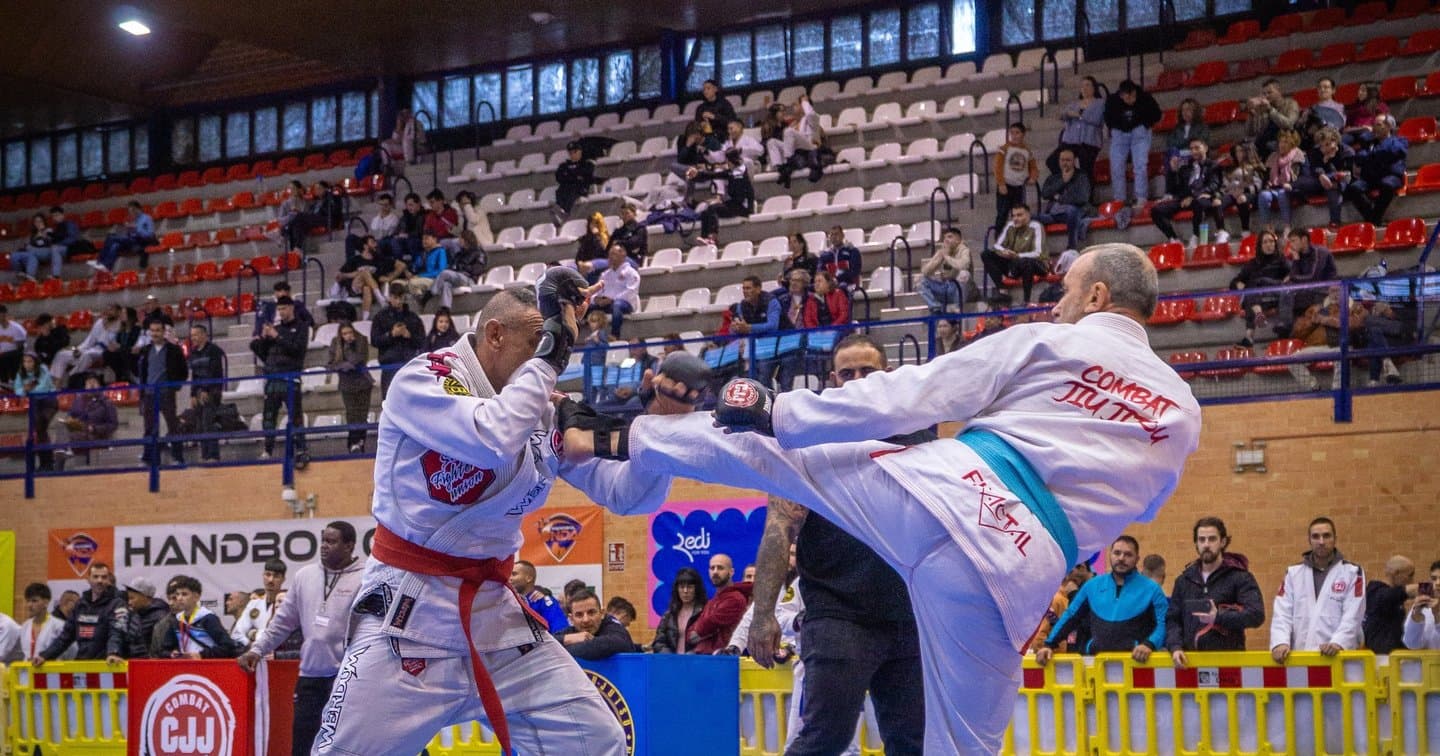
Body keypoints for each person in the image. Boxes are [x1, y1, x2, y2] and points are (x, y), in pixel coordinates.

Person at [563, 242, 1203, 753]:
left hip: (954, 496)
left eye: (1066, 292)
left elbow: (918, 392)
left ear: (1096, 295)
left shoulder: (1055, 340)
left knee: (789, 456)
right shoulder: (1183, 411)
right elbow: (1141, 507)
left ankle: (603, 434)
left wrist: (778, 406)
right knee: (966, 745)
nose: (1057, 303)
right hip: (1024, 570)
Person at [313, 271, 675, 756]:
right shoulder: (424, 380)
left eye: (553, 346)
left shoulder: (542, 406)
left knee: (595, 741)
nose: (550, 359)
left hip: (495, 616)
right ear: (496, 335)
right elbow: (492, 438)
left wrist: (661, 432)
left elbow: (628, 496)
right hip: (409, 616)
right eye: (540, 343)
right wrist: (551, 357)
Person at [747, 334, 928, 755]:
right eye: (847, 373)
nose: (858, 380)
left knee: (914, 744)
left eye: (868, 371)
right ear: (832, 381)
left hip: (911, 617)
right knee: (825, 738)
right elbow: (779, 526)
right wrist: (763, 615)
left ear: (887, 376)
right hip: (838, 618)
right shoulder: (807, 442)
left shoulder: (920, 436)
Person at [240, 522, 365, 756]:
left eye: (332, 541)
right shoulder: (304, 576)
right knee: (303, 743)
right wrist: (257, 650)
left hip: (347, 677)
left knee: (345, 744)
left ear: (349, 545)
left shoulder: (365, 578)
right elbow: (282, 622)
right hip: (310, 676)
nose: (325, 547)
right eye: (323, 541)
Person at [1036, 535, 1167, 662]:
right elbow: (1071, 616)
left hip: (1136, 665)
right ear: (1110, 555)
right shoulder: (1092, 586)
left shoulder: (1152, 590)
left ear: (1137, 559)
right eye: (1117, 553)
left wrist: (1150, 644)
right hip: (1097, 666)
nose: (1121, 558)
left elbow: (1164, 624)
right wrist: (1049, 645)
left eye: (1128, 554)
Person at [1165, 516, 1265, 666]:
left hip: (1229, 664)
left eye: (1212, 539)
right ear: (1196, 544)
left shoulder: (1240, 577)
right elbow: (1173, 619)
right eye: (1201, 540)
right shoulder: (1184, 581)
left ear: (1223, 542)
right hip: (1189, 663)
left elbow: (1256, 615)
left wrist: (1218, 617)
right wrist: (1175, 647)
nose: (1206, 544)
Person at [1270, 517, 1366, 663]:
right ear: (1309, 540)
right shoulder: (1293, 573)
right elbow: (1282, 612)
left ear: (1335, 539)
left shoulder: (1352, 572)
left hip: (1338, 657)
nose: (1321, 541)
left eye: (1326, 536)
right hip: (1301, 656)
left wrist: (1339, 642)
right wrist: (1280, 641)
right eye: (1316, 536)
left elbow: (1354, 613)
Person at [250, 297, 308, 463]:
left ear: (291, 308)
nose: (281, 312)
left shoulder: (301, 328)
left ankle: (301, 449)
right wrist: (261, 339)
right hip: (272, 378)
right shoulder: (274, 329)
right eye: (279, 309)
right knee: (269, 417)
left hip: (290, 378)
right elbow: (263, 354)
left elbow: (297, 350)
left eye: (284, 308)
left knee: (295, 417)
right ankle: (267, 450)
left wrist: (277, 336)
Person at [34, 562, 128, 663]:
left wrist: (113, 653)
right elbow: (65, 637)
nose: (99, 581)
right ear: (88, 579)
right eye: (95, 577)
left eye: (103, 577)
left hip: (106, 665)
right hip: (82, 664)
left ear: (108, 580)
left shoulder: (118, 604)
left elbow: (117, 632)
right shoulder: (80, 605)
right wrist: (45, 656)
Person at [1151, 137, 1223, 247]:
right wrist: (1173, 172)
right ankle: (1174, 239)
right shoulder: (1186, 167)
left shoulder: (1213, 165)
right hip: (1185, 199)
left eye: (1197, 148)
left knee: (1199, 203)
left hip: (1202, 198)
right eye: (1191, 149)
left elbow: (1213, 185)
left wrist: (1193, 196)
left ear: (1206, 148)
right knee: (1156, 210)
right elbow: (1175, 189)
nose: (1193, 151)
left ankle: (1196, 236)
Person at [1103, 80, 1162, 206]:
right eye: (1127, 97)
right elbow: (1107, 118)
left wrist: (1145, 123)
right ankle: (1119, 198)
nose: (1131, 100)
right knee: (1116, 165)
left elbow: (1157, 114)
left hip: (1139, 131)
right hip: (1119, 133)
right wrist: (1117, 127)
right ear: (1121, 95)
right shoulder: (1112, 101)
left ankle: (1141, 197)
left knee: (1140, 164)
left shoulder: (1145, 97)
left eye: (1133, 96)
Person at [137, 322, 188, 466]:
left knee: (173, 426)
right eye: (152, 330)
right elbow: (143, 372)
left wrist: (175, 386)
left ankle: (178, 457)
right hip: (149, 394)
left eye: (158, 330)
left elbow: (183, 371)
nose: (155, 333)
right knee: (149, 428)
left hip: (166, 393)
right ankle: (150, 459)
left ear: (163, 332)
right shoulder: (145, 350)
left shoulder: (174, 350)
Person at [158, 575, 243, 659]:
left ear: (196, 597)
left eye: (184, 594)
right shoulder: (177, 621)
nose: (179, 598)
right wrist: (171, 654)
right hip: (183, 668)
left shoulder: (208, 618)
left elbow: (227, 646)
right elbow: (163, 650)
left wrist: (202, 655)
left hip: (207, 668)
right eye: (177, 594)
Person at [1230, 230, 1289, 348]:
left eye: (1271, 241)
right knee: (1251, 292)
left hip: (1275, 296)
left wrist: (1283, 282)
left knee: (1252, 291)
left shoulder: (1281, 260)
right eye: (1265, 242)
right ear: (1260, 246)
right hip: (1259, 299)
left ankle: (1249, 337)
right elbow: (1234, 282)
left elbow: (1291, 275)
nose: (1269, 244)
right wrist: (1239, 284)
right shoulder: (1253, 263)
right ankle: (1258, 314)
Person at [1345, 114, 1407, 226]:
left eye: (1378, 124)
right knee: (1354, 188)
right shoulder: (1369, 143)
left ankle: (1373, 219)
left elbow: (1394, 151)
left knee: (1387, 184)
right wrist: (1375, 154)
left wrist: (1371, 155)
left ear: (1389, 126)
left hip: (1390, 176)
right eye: (1374, 124)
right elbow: (1359, 158)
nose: (1374, 127)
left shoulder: (1399, 140)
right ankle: (1374, 218)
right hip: (1371, 178)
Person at [982, 204, 1048, 305]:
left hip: (1038, 264)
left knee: (1027, 262)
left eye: (1019, 215)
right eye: (1013, 216)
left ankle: (1027, 301)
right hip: (1015, 263)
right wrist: (1004, 252)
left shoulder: (1036, 226)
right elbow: (997, 246)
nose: (1015, 218)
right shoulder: (1010, 225)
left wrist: (1017, 255)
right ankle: (1002, 290)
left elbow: (1038, 253)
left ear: (1028, 215)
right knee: (986, 254)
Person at [371, 282, 425, 399]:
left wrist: (409, 335)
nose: (398, 301)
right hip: (389, 366)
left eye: (401, 298)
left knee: (411, 400)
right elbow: (374, 341)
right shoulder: (380, 317)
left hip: (409, 365)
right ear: (390, 297)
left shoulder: (413, 318)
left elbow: (421, 341)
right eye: (395, 298)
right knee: (390, 401)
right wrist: (391, 335)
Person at [1035, 148, 1095, 253]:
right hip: (1055, 214)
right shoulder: (1054, 177)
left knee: (1072, 210)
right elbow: (1045, 194)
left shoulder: (1082, 176)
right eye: (1062, 160)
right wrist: (1063, 181)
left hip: (1076, 212)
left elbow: (1082, 198)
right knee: (1029, 217)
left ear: (1074, 161)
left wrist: (1059, 198)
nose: (1065, 163)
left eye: (1068, 160)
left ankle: (1072, 248)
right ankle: (1036, 252)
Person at [327, 321, 374, 453]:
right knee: (351, 413)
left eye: (349, 332)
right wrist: (343, 366)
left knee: (362, 414)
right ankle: (353, 442)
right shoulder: (335, 343)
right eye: (344, 334)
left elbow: (358, 360)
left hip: (363, 382)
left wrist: (350, 346)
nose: (347, 336)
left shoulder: (361, 340)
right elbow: (331, 364)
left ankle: (361, 442)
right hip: (346, 384)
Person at [692, 149, 754, 245]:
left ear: (730, 161)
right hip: (734, 204)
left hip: (742, 207)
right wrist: (698, 174)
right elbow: (714, 175)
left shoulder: (740, 173)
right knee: (706, 211)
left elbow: (747, 194)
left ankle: (713, 238)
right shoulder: (731, 172)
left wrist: (749, 210)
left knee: (713, 208)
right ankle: (704, 237)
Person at [553, 588, 636, 660]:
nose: (586, 619)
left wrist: (560, 650)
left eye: (591, 612)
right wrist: (566, 639)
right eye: (579, 615)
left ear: (602, 613)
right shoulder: (570, 633)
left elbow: (618, 643)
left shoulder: (613, 627)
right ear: (571, 619)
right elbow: (544, 644)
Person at [1048, 75, 1105, 177]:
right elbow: (1064, 115)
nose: (1084, 88)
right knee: (1052, 161)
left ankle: (1086, 190)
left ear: (1094, 88)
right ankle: (1066, 183)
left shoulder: (1100, 103)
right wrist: (1065, 115)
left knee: (1086, 165)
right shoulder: (1074, 104)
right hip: (1071, 141)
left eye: (1088, 85)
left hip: (1089, 141)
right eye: (1082, 86)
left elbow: (1096, 119)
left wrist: (1079, 116)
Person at [12, 352, 60, 470]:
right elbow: (17, 390)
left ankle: (46, 462)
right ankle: (47, 462)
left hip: (48, 401)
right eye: (25, 361)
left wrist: (27, 390)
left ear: (35, 362)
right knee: (39, 431)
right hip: (35, 403)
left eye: (29, 361)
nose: (27, 364)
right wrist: (24, 389)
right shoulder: (20, 374)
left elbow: (43, 387)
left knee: (40, 426)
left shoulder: (43, 369)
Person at [187, 324, 226, 462]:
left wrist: (206, 390)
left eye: (196, 335)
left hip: (212, 391)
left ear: (204, 335)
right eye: (192, 335)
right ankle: (204, 455)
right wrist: (193, 394)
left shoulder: (214, 351)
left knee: (208, 422)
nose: (193, 338)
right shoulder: (193, 353)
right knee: (200, 425)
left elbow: (215, 372)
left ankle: (213, 455)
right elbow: (195, 376)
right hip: (198, 392)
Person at [1364, 556, 1417, 654]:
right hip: (1380, 658)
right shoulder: (1376, 593)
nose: (1412, 580)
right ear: (1396, 573)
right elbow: (1398, 593)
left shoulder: (1392, 597)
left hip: (1393, 656)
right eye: (1410, 575)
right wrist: (1429, 589)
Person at [1258, 129, 1306, 235]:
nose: (1282, 145)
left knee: (1282, 194)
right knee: (1263, 195)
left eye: (1285, 142)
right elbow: (1266, 178)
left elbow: (1304, 177)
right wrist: (1267, 183)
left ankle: (1287, 226)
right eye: (1281, 142)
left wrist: (1291, 185)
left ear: (1292, 144)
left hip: (1292, 189)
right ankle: (1268, 227)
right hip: (1274, 188)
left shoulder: (1299, 156)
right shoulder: (1273, 157)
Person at [994, 123, 1039, 232]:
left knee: (1018, 215)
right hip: (1006, 186)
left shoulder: (1027, 151)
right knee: (1002, 214)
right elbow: (998, 167)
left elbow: (1033, 167)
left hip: (1019, 187)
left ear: (1023, 134)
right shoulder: (1004, 149)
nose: (1014, 136)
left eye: (1017, 133)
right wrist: (1001, 183)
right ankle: (998, 240)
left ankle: (1018, 239)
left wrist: (1033, 177)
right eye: (1012, 133)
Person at [231, 558, 287, 648]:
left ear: (283, 579)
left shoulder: (286, 604)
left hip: (279, 656)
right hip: (254, 655)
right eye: (267, 575)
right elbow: (236, 634)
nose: (271, 580)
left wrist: (253, 633)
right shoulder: (254, 604)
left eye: (276, 576)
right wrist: (251, 645)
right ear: (263, 575)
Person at [651, 566, 708, 654]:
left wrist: (694, 653)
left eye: (689, 587)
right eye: (681, 587)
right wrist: (669, 656)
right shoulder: (669, 614)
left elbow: (710, 641)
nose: (685, 591)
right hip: (672, 664)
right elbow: (658, 642)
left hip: (696, 663)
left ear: (696, 589)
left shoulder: (705, 612)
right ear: (677, 590)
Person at [918, 226, 973, 315]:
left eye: (950, 237)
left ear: (958, 240)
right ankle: (936, 309)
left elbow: (964, 265)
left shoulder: (964, 250)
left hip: (961, 290)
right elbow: (925, 271)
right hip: (946, 287)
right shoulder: (943, 251)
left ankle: (957, 307)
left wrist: (947, 258)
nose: (946, 240)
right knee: (920, 280)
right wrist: (939, 260)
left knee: (964, 274)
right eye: (945, 238)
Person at [1244, 79, 1301, 161]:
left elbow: (1288, 124)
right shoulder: (1263, 109)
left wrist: (1270, 110)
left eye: (1269, 92)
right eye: (1264, 94)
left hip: (1285, 139)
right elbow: (1251, 132)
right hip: (1266, 141)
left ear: (1278, 91)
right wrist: (1251, 114)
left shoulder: (1291, 104)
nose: (1266, 96)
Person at [1217, 143, 1264, 242]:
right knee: (1218, 202)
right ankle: (1221, 231)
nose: (1239, 153)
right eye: (1237, 151)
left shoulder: (1253, 166)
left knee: (1241, 199)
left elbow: (1258, 184)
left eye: (1241, 151)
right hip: (1232, 193)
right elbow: (1224, 185)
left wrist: (1244, 190)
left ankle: (1245, 231)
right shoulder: (1229, 169)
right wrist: (1230, 190)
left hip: (1250, 193)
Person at [92, 201, 156, 272]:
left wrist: (136, 229)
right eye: (130, 211)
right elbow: (131, 234)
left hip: (140, 241)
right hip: (131, 240)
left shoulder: (147, 218)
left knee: (111, 237)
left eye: (133, 210)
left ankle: (99, 261)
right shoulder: (133, 219)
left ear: (138, 209)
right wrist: (129, 230)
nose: (132, 213)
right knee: (115, 246)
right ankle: (107, 267)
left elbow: (150, 234)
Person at [431, 229, 487, 311]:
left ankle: (431, 293)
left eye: (460, 238)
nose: (458, 240)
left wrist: (461, 267)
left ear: (465, 240)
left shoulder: (479, 253)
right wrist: (455, 267)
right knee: (446, 284)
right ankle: (445, 309)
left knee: (444, 273)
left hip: (469, 279)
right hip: (458, 276)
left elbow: (477, 270)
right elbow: (454, 265)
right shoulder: (461, 253)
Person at [593, 243, 641, 339]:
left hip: (625, 304)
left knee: (617, 305)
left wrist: (612, 299)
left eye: (613, 254)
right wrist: (597, 299)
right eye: (609, 254)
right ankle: (595, 336)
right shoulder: (605, 275)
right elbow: (597, 291)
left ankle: (615, 335)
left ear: (623, 256)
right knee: (589, 307)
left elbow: (631, 292)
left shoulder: (631, 273)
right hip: (606, 303)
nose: (610, 257)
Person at [507, 560, 569, 632]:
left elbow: (561, 631)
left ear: (528, 578)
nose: (510, 578)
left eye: (514, 574)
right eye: (509, 575)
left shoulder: (544, 602)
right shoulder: (509, 602)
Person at [18, 583, 75, 661]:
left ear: (46, 602)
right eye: (28, 601)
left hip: (52, 671)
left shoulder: (59, 626)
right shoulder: (25, 626)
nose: (30, 605)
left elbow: (72, 654)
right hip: (28, 671)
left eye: (34, 601)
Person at [119, 578, 170, 660]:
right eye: (128, 599)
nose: (129, 602)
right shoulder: (134, 614)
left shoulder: (160, 617)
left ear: (145, 597)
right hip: (133, 664)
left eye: (132, 598)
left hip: (149, 665)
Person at [553, 141, 598, 223]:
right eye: (570, 153)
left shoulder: (587, 164)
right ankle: (563, 213)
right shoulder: (563, 165)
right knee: (561, 191)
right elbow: (559, 177)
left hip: (581, 189)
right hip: (565, 189)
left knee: (572, 190)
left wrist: (570, 175)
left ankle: (566, 216)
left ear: (580, 151)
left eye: (574, 152)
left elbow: (587, 177)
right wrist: (575, 176)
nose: (572, 155)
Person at [11, 212, 61, 282]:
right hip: (33, 254)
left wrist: (45, 234)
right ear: (34, 224)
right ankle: (23, 274)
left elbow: (55, 242)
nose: (38, 223)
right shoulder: (32, 235)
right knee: (14, 255)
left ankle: (55, 276)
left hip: (45, 252)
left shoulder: (48, 230)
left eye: (40, 221)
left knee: (31, 250)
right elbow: (25, 247)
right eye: (36, 222)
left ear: (44, 222)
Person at [1402, 561, 1440, 650]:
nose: (1438, 583)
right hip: (1425, 663)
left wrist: (1437, 616)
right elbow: (1411, 644)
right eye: (1434, 578)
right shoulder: (1424, 607)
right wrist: (1416, 616)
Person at [407, 232, 450, 304]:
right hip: (419, 278)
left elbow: (441, 271)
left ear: (434, 239)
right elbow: (415, 267)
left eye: (426, 239)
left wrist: (420, 276)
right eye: (423, 239)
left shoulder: (441, 251)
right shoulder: (423, 253)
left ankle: (422, 303)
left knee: (413, 283)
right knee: (398, 284)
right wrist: (409, 271)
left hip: (434, 280)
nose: (424, 241)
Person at [0, 304, 25, 383]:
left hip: (15, 354)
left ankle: (13, 380)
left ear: (4, 315)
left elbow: (20, 346)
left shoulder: (16, 328)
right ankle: (4, 383)